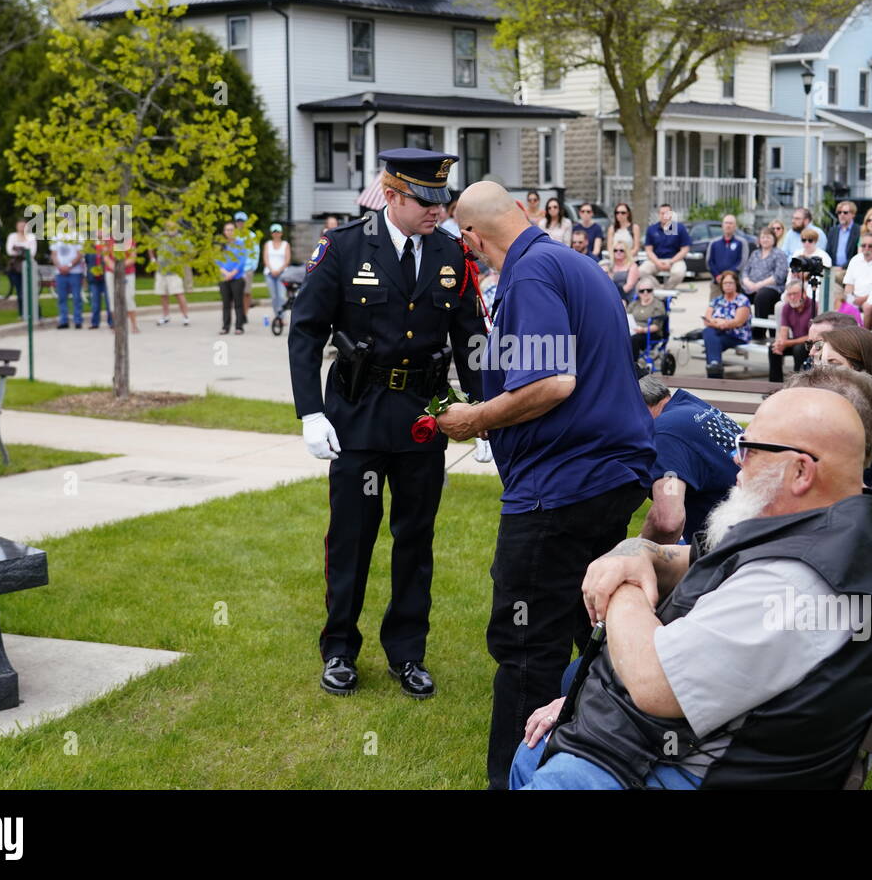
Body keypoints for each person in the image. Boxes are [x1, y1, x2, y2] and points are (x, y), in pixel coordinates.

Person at [509, 386, 872, 790]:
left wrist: (624, 585)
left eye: (749, 448)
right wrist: (639, 551)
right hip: (678, 743)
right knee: (535, 745)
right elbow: (696, 561)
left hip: (674, 768)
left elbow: (655, 684)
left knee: (539, 753)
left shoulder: (795, 584)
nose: (735, 460)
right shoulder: (824, 526)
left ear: (800, 472)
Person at [435, 179, 653, 790]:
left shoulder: (531, 274)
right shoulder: (570, 262)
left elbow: (552, 381)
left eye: (466, 242)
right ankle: (596, 753)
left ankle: (514, 779)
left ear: (472, 238)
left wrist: (473, 419)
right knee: (593, 623)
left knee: (526, 642)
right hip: (604, 476)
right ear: (524, 211)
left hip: (562, 486)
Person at [290, 148, 488, 702]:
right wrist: (310, 410)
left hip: (421, 419)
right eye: (425, 200)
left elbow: (470, 339)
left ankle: (407, 652)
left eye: (442, 200)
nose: (437, 210)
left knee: (414, 540)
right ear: (393, 195)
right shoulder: (346, 246)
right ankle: (339, 650)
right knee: (351, 539)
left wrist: (482, 413)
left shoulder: (451, 251)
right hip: (355, 413)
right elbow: (306, 331)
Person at [638, 374, 742, 545]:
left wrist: (640, 554)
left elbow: (668, 521)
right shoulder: (688, 404)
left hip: (728, 549)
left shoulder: (664, 432)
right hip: (756, 529)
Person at [817, 325, 872, 494]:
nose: (821, 371)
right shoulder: (843, 412)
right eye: (821, 361)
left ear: (861, 370)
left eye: (832, 363)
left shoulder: (863, 424)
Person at [702, 270, 752, 378]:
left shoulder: (742, 300)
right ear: (721, 285)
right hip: (719, 333)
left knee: (710, 339)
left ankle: (714, 371)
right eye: (725, 283)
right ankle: (715, 366)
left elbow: (738, 322)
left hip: (737, 335)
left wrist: (721, 322)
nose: (728, 285)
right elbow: (707, 319)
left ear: (736, 284)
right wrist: (719, 323)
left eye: (731, 283)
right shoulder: (717, 300)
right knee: (709, 333)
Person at [740, 227, 788, 335]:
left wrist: (759, 285)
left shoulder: (779, 254)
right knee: (738, 294)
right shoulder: (755, 253)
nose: (765, 240)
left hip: (771, 288)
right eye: (763, 237)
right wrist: (747, 282)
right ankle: (741, 327)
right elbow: (745, 271)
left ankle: (759, 331)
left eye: (768, 237)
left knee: (762, 296)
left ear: (774, 239)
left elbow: (779, 275)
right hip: (751, 286)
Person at [769, 279, 814, 382]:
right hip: (795, 341)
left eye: (795, 294)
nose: (792, 297)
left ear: (804, 293)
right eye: (789, 295)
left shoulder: (814, 306)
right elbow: (783, 329)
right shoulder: (787, 307)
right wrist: (780, 343)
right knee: (773, 348)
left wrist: (787, 343)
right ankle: (775, 384)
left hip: (810, 343)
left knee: (798, 349)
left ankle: (797, 383)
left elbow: (812, 336)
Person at [644, 203, 692, 289]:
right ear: (659, 214)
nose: (664, 216)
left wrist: (671, 262)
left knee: (678, 273)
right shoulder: (651, 229)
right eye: (662, 213)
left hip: (675, 260)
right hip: (656, 260)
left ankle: (666, 291)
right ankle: (658, 290)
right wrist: (657, 262)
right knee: (641, 271)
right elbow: (648, 250)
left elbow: (685, 249)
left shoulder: (680, 228)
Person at [152, 221, 190, 326]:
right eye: (168, 226)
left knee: (179, 294)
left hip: (174, 272)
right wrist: (152, 259)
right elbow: (150, 246)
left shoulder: (181, 239)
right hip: (161, 271)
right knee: (163, 294)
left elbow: (190, 252)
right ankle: (166, 316)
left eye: (173, 227)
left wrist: (182, 261)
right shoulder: (160, 236)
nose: (171, 229)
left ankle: (185, 316)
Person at [104, 233, 140, 334]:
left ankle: (134, 325)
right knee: (113, 298)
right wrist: (114, 268)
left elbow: (133, 257)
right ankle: (117, 326)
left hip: (127, 273)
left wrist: (120, 266)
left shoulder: (130, 240)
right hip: (111, 273)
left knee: (129, 298)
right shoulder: (108, 240)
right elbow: (106, 257)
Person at [705, 214, 749, 299]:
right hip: (717, 283)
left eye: (731, 223)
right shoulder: (714, 243)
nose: (728, 225)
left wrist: (728, 277)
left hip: (735, 282)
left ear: (735, 226)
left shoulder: (742, 242)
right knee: (715, 308)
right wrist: (717, 276)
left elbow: (742, 261)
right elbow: (709, 261)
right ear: (722, 225)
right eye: (726, 223)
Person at [216, 222, 247, 335]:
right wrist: (225, 273)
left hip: (237, 277)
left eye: (231, 230)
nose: (229, 232)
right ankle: (225, 326)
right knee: (226, 304)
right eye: (227, 230)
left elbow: (242, 261)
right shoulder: (221, 245)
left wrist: (232, 273)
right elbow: (217, 261)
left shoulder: (240, 244)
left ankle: (239, 327)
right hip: (223, 278)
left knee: (238, 303)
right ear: (224, 232)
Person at [50, 230, 84, 329]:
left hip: (75, 272)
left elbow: (80, 254)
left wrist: (69, 266)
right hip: (60, 272)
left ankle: (78, 320)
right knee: (61, 298)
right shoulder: (56, 235)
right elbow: (54, 254)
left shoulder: (77, 235)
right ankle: (63, 320)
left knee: (76, 297)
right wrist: (59, 266)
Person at [5, 217, 36, 317]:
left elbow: (32, 252)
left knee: (29, 291)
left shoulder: (31, 237)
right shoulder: (12, 236)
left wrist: (18, 250)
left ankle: (35, 312)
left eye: (24, 225)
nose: (22, 227)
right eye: (20, 225)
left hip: (27, 266)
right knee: (19, 291)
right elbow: (10, 251)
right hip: (15, 268)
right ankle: (22, 313)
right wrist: (23, 251)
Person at [84, 231, 114, 330]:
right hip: (94, 279)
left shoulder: (108, 245)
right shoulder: (90, 246)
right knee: (95, 302)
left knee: (109, 301)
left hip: (106, 277)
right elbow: (86, 262)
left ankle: (112, 322)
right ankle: (95, 322)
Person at [628, 280, 666, 356]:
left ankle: (633, 363)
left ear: (652, 291)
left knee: (634, 339)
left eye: (648, 290)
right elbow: (626, 315)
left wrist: (643, 330)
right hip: (633, 330)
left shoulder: (658, 305)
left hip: (650, 332)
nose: (645, 293)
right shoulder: (634, 304)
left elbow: (657, 326)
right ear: (638, 293)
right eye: (642, 291)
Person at [262, 223, 291, 318]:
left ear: (281, 233)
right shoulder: (268, 244)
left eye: (278, 232)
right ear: (271, 234)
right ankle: (277, 315)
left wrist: (279, 270)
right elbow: (265, 259)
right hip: (269, 273)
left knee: (281, 296)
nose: (276, 234)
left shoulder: (285, 244)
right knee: (274, 297)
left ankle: (282, 316)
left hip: (282, 274)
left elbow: (287, 260)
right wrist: (272, 270)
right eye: (274, 232)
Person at [234, 211, 259, 316]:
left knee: (246, 292)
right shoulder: (232, 235)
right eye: (238, 221)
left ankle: (244, 314)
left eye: (242, 221)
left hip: (247, 268)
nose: (240, 223)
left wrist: (253, 267)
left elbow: (256, 252)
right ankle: (238, 313)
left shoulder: (252, 236)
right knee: (236, 293)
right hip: (235, 269)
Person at [828, 199, 861, 271]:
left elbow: (858, 254)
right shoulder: (833, 231)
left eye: (845, 212)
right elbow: (829, 251)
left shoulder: (859, 231)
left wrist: (843, 267)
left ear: (853, 214)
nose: (842, 215)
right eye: (839, 212)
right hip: (834, 269)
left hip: (851, 269)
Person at [605, 238, 640, 304]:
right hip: (612, 295)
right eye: (615, 250)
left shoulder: (632, 265)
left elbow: (629, 286)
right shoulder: (610, 265)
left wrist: (614, 295)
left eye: (621, 250)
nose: (618, 252)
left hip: (627, 297)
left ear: (626, 252)